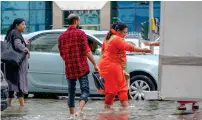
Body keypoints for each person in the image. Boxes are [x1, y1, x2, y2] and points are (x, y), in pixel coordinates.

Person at [98, 22, 152, 110]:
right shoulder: (116, 39)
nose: (125, 34)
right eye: (124, 32)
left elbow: (103, 53)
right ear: (118, 31)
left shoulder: (108, 38)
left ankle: (107, 109)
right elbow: (129, 47)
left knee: (111, 90)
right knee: (122, 88)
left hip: (105, 66)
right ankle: (125, 110)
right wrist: (144, 50)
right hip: (112, 66)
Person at [58, 14, 99, 116]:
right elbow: (87, 50)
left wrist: (69, 61)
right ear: (76, 21)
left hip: (70, 68)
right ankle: (79, 110)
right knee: (85, 90)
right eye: (79, 20)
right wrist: (95, 64)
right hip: (81, 67)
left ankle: (71, 115)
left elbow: (62, 54)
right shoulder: (81, 34)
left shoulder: (61, 37)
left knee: (71, 92)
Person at [144, 41, 199, 111]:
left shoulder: (178, 37)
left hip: (182, 63)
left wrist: (151, 43)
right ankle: (194, 103)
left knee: (182, 83)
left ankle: (183, 104)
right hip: (193, 63)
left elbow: (167, 42)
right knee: (191, 82)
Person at [5, 18, 30, 107]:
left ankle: (7, 105)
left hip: (11, 63)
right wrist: (25, 49)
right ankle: (22, 108)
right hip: (17, 64)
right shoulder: (16, 33)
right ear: (17, 25)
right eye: (23, 24)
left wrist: (24, 43)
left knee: (12, 85)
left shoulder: (12, 32)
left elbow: (14, 44)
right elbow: (17, 45)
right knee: (19, 85)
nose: (24, 26)